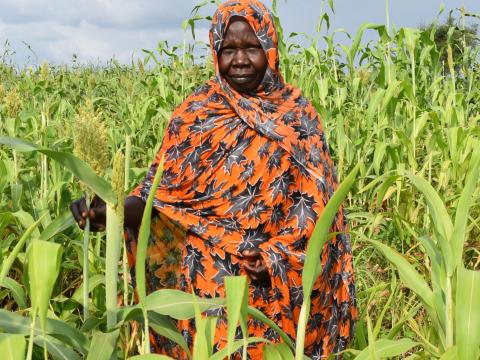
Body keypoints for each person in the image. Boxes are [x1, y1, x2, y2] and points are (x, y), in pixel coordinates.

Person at [71, 0, 357, 358]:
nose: (239, 59)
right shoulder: (195, 115)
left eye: (251, 47)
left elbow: (318, 209)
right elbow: (159, 200)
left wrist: (273, 256)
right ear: (215, 52)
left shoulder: (298, 118)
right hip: (207, 290)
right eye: (229, 49)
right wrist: (109, 212)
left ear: (269, 48)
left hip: (269, 292)